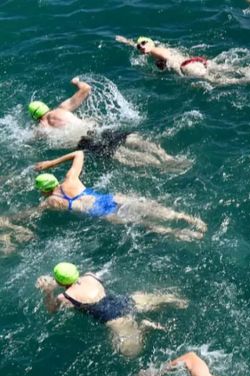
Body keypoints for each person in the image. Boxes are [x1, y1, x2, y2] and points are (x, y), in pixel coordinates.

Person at [33, 150, 207, 241]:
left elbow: (33, 213)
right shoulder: (70, 180)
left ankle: (179, 233)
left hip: (101, 213)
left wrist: (9, 219)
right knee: (151, 207)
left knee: (143, 224)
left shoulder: (51, 201)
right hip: (110, 199)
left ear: (43, 190)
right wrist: (51, 163)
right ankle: (189, 219)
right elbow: (79, 153)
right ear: (54, 181)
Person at [27, 78, 186, 170]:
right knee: (133, 140)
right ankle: (168, 158)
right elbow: (86, 89)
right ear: (45, 107)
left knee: (124, 156)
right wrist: (77, 82)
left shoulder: (41, 129)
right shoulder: (61, 110)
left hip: (85, 143)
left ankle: (160, 166)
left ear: (35, 117)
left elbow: (30, 142)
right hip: (96, 131)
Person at [35, 262, 187, 357]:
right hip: (121, 300)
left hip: (113, 318)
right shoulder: (90, 276)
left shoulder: (65, 297)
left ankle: (144, 327)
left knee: (130, 353)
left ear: (59, 282)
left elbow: (52, 310)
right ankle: (175, 300)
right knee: (158, 298)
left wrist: (48, 291)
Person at [114, 36, 250, 85]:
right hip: (195, 61)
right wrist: (127, 42)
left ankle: (248, 81)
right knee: (224, 69)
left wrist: (145, 48)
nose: (141, 47)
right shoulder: (164, 50)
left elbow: (149, 48)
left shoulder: (155, 50)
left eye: (143, 43)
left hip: (187, 67)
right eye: (139, 46)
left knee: (217, 82)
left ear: (149, 43)